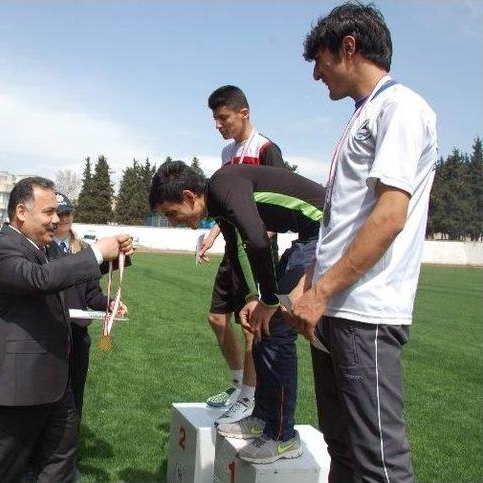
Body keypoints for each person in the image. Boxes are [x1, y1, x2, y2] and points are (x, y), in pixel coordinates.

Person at [288, 4, 438, 481]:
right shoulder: (364, 114)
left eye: (321, 60)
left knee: (380, 463)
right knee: (344, 452)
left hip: (364, 314)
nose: (315, 74)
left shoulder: (401, 108)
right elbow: (346, 219)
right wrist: (310, 283)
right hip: (334, 310)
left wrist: (323, 292)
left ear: (349, 47)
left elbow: (389, 216)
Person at [149, 161, 324, 464]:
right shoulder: (219, 202)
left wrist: (268, 300)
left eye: (172, 214)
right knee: (262, 324)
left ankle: (283, 436)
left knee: (278, 324)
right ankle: (262, 417)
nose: (173, 222)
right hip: (309, 234)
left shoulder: (223, 185)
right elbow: (238, 248)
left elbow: (257, 239)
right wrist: (252, 297)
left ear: (190, 196)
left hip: (327, 229)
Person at [0, 176, 133, 482]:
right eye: (48, 212)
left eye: (59, 214)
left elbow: (68, 274)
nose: (56, 220)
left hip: (56, 382)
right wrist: (98, 252)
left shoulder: (46, 250)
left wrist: (117, 254)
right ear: (22, 212)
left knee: (61, 463)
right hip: (19, 385)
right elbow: (41, 279)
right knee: (5, 470)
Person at [199, 85, 286, 425]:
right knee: (216, 318)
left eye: (223, 118)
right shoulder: (226, 155)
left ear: (243, 113)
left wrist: (260, 238)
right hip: (233, 249)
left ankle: (249, 399)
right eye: (215, 119)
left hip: (257, 250)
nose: (218, 125)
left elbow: (279, 203)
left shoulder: (267, 149)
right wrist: (212, 235)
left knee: (251, 324)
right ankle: (237, 385)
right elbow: (226, 205)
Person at [46, 192, 128, 423]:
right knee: (48, 394)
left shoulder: (85, 250)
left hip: (78, 335)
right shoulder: (41, 248)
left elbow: (92, 294)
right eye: (57, 213)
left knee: (75, 394)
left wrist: (109, 303)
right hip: (50, 333)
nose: (62, 218)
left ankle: (71, 447)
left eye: (66, 213)